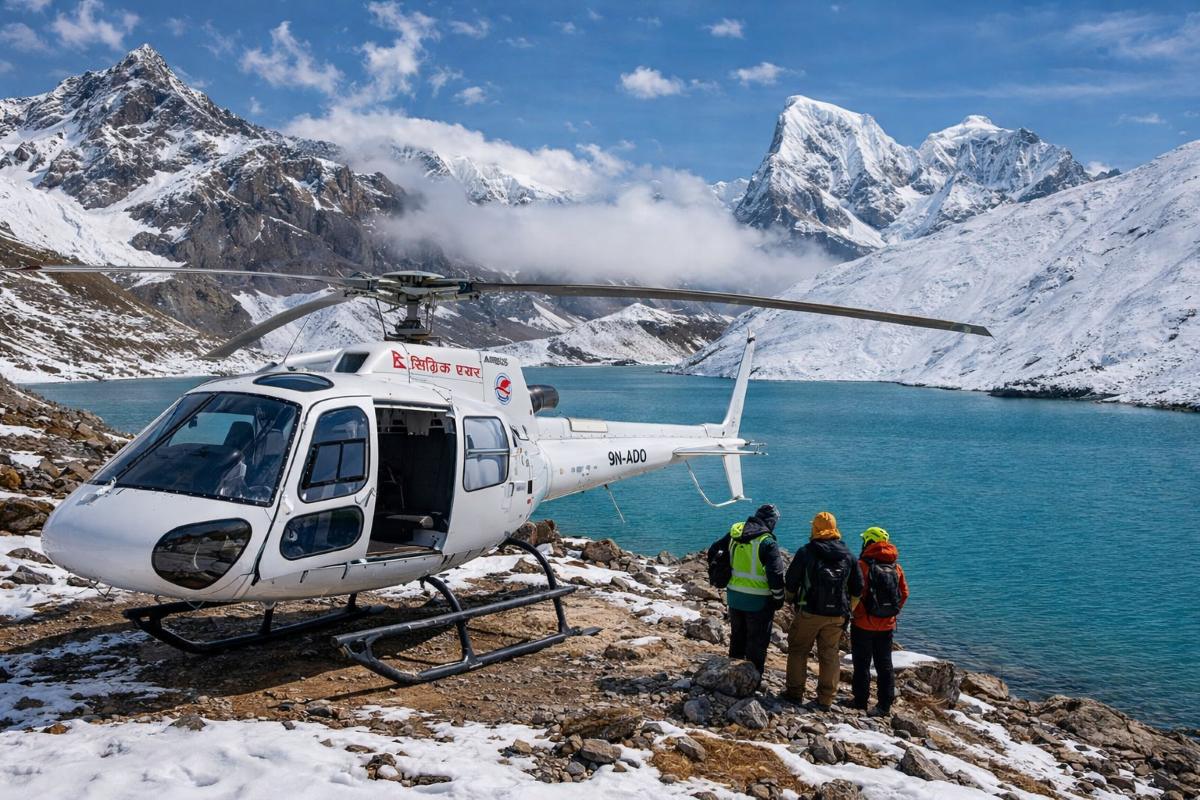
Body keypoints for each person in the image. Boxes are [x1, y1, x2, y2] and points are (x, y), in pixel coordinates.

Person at [783, 511, 862, 710]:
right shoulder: (848, 555)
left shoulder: (806, 552)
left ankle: (794, 693)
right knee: (830, 654)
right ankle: (826, 699)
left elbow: (791, 582)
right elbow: (858, 589)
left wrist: (790, 601)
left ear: (815, 528)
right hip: (838, 615)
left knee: (798, 650)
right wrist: (848, 609)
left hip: (810, 611)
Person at [707, 504, 786, 677]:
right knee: (756, 644)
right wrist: (779, 597)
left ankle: (732, 676)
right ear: (771, 521)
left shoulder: (735, 534)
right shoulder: (767, 541)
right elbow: (776, 573)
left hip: (735, 596)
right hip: (759, 601)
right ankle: (752, 680)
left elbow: (714, 549)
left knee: (737, 638)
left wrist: (721, 572)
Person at [850, 526, 909, 716]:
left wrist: (858, 613)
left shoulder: (862, 565)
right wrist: (893, 612)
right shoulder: (896, 567)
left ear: (868, 542)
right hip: (887, 625)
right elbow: (904, 593)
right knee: (885, 665)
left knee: (862, 663)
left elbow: (856, 592)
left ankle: (860, 701)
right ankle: (884, 705)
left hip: (863, 624)